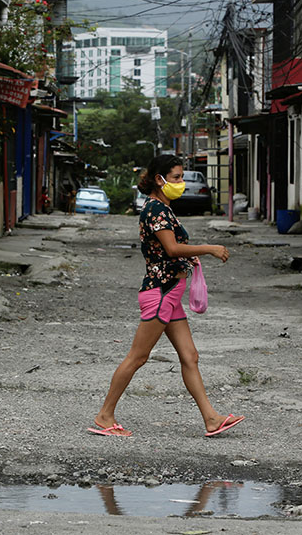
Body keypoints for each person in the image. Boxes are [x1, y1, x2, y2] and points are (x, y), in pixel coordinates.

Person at [89, 154, 244, 438]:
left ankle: (211, 418)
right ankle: (104, 415)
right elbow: (171, 249)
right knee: (138, 357)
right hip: (160, 293)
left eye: (181, 177)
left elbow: (170, 253)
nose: (181, 183)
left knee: (190, 356)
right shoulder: (155, 210)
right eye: (176, 178)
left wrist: (190, 262)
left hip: (169, 294)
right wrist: (207, 248)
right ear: (159, 179)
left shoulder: (163, 208)